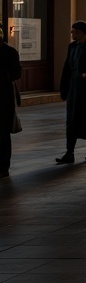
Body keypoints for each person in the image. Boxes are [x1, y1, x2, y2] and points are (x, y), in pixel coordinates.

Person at [56, 21, 86, 164]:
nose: (72, 34)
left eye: (74, 32)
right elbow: (67, 68)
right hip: (73, 87)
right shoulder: (71, 47)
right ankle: (69, 152)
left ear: (81, 33)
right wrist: (64, 88)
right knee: (71, 120)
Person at [1, 34, 22, 179]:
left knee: (3, 133)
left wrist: (5, 76)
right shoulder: (11, 51)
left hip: (4, 98)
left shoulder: (10, 52)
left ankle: (3, 166)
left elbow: (17, 73)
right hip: (4, 97)